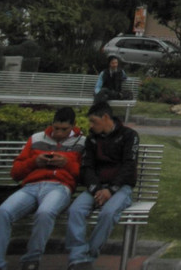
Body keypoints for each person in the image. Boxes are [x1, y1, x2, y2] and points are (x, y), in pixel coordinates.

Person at [0, 107, 85, 270]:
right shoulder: (36, 139)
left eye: (64, 130)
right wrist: (34, 162)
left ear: (73, 126)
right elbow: (15, 173)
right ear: (51, 124)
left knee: (45, 212)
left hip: (59, 187)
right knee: (3, 212)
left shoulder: (82, 142)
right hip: (30, 187)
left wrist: (67, 164)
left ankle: (31, 260)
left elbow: (84, 175)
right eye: (56, 128)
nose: (59, 133)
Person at [65, 100, 139, 269]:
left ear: (106, 117)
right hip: (97, 187)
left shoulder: (129, 136)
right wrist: (97, 189)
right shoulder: (91, 139)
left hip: (120, 188)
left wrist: (111, 190)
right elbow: (87, 167)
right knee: (75, 210)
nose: (91, 125)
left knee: (108, 213)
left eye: (93, 121)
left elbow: (129, 166)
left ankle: (89, 257)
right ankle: (77, 257)